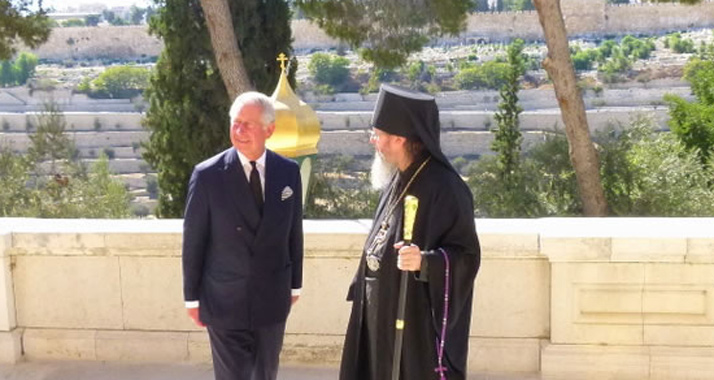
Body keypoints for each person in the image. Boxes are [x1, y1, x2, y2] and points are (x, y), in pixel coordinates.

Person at [339, 84, 481, 380]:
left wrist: (425, 262)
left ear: (399, 139)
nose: (372, 141)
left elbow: (466, 255)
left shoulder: (447, 188)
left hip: (413, 320)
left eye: (377, 134)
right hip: (379, 312)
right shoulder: (398, 177)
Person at [182, 91, 303, 380]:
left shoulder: (288, 172)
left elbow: (293, 232)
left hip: (272, 296)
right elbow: (194, 241)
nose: (239, 131)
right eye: (235, 123)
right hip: (225, 298)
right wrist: (191, 298)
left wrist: (294, 285)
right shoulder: (208, 175)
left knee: (265, 373)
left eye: (248, 124)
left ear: (269, 129)